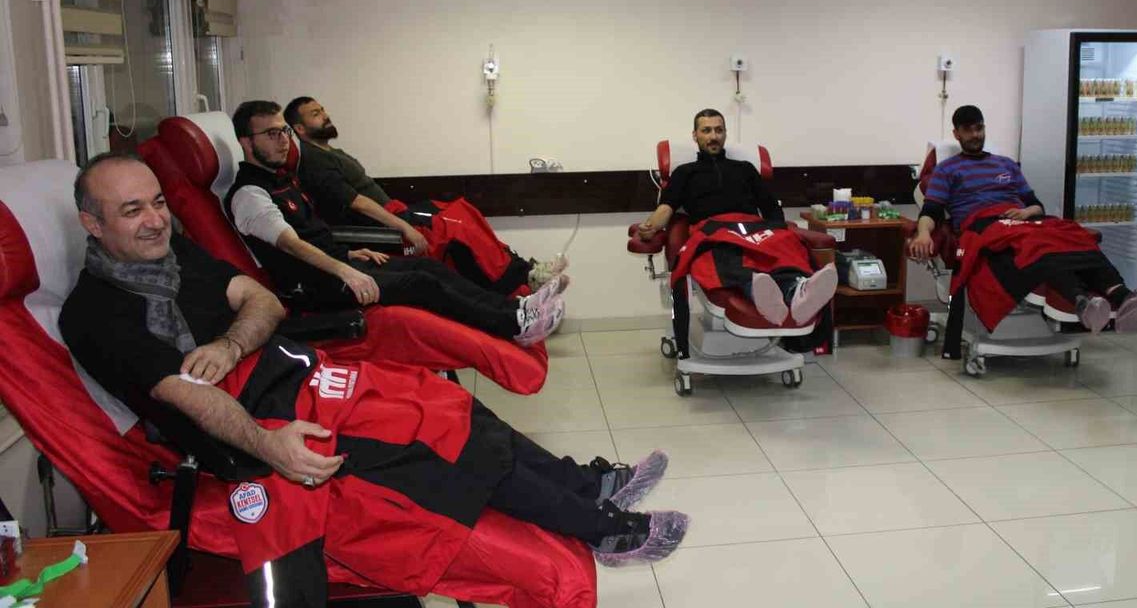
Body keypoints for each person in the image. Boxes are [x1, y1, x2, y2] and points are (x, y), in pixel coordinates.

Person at [58, 152, 685, 605]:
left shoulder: (176, 254)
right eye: (133, 210)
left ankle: (588, 486)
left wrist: (229, 342)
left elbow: (261, 301)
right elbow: (188, 402)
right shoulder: (93, 315)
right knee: (454, 447)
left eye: (158, 203)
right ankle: (604, 531)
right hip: (265, 424)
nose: (155, 219)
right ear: (93, 224)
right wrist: (270, 446)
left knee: (450, 405)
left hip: (299, 375)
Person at [224, 100, 563, 347]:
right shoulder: (250, 194)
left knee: (429, 267)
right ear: (245, 142)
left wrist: (350, 253)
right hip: (315, 287)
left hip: (335, 267)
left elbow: (311, 234)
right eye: (271, 133)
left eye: (283, 131)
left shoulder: (282, 181)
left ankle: (514, 307)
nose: (283, 139)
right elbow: (291, 245)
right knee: (421, 282)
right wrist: (346, 271)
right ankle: (513, 325)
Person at [908, 104, 1137, 335]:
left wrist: (1027, 212)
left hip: (1024, 220)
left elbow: (1035, 203)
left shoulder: (1006, 164)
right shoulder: (947, 170)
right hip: (984, 224)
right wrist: (923, 234)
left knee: (1074, 235)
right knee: (1038, 245)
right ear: (957, 134)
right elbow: (931, 210)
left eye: (979, 128)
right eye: (968, 130)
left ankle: (1125, 298)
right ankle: (1080, 301)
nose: (975, 135)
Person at [283, 96, 565, 295]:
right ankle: (520, 281)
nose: (325, 115)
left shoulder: (329, 151)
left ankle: (526, 272)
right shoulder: (314, 161)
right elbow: (358, 203)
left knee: (463, 211)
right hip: (383, 222)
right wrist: (404, 227)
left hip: (395, 209)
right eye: (315, 114)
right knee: (454, 227)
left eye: (323, 109)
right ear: (299, 128)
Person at [636, 108, 837, 326]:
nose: (713, 136)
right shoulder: (685, 172)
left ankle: (796, 292)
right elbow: (666, 208)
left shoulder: (745, 169)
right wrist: (650, 227)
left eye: (718, 130)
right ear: (695, 135)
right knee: (726, 255)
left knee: (785, 244)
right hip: (714, 231)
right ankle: (759, 291)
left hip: (752, 228)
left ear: (725, 134)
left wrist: (777, 234)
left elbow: (770, 207)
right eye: (706, 130)